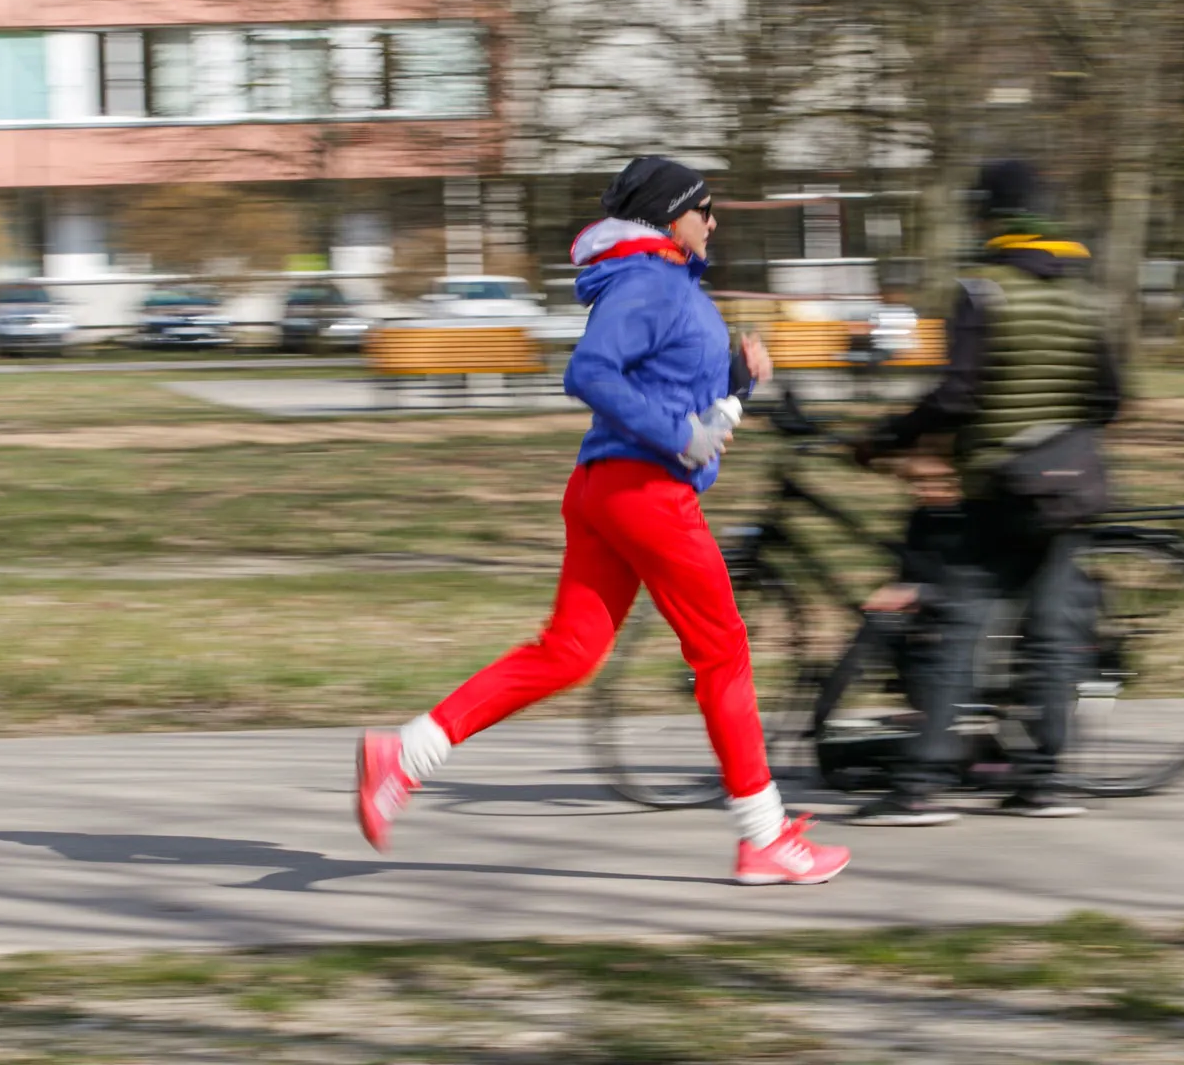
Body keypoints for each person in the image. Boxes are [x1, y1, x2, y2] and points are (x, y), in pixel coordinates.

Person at [354, 156, 850, 885]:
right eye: (704, 207)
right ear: (669, 217)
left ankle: (407, 755)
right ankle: (764, 835)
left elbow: (676, 393)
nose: (714, 221)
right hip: (645, 496)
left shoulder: (663, 282)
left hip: (607, 491)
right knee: (723, 654)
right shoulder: (651, 281)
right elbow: (589, 372)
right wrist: (681, 438)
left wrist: (736, 386)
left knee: (569, 653)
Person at [849, 159, 1123, 827]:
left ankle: (919, 785)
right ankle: (1047, 781)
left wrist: (891, 437)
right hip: (1070, 493)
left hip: (1000, 487)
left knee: (960, 624)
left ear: (992, 216)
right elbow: (1109, 398)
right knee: (1053, 635)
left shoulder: (984, 291)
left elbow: (958, 395)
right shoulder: (1086, 296)